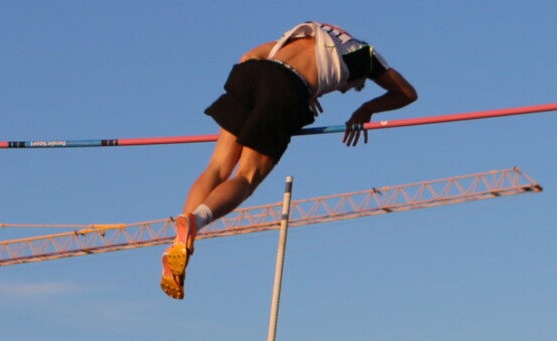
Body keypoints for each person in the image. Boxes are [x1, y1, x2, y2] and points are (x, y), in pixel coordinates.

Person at [160, 21, 417, 299]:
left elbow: (248, 57)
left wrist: (295, 91)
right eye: (355, 88)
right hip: (287, 89)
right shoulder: (364, 56)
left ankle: (180, 240)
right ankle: (196, 221)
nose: (346, 90)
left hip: (253, 74)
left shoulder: (303, 35)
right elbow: (407, 93)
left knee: (217, 167)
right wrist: (366, 109)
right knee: (246, 177)